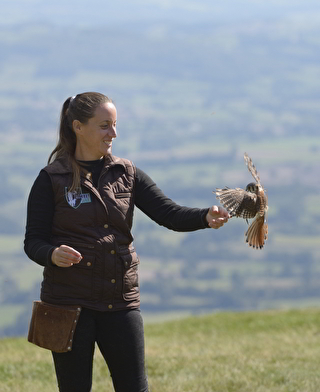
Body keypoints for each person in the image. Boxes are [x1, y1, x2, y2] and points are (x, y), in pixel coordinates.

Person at [24, 92, 229, 392]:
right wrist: (52, 254)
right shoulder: (51, 178)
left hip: (120, 301)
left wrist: (204, 217)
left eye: (115, 124)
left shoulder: (128, 173)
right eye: (105, 125)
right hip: (68, 303)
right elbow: (33, 241)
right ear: (78, 127)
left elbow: (168, 213)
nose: (114, 133)